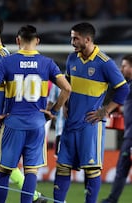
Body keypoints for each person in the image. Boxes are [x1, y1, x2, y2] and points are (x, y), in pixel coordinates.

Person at [0, 25, 71, 203]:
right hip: (37, 123)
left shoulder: (7, 61)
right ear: (37, 41)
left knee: (4, 171)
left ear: (18, 40)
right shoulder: (47, 63)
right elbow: (67, 88)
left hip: (13, 123)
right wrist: (53, 111)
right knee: (31, 170)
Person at [53, 22, 129, 203]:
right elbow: (67, 85)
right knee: (62, 167)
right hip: (71, 123)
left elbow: (123, 89)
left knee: (92, 170)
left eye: (75, 38)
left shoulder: (105, 63)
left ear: (87, 39)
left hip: (91, 125)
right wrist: (64, 104)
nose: (72, 42)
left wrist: (106, 110)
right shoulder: (72, 59)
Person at [100, 54, 132, 203]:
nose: (121, 68)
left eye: (124, 66)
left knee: (122, 170)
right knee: (121, 170)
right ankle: (111, 200)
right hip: (128, 134)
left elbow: (119, 94)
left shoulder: (128, 87)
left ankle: (112, 200)